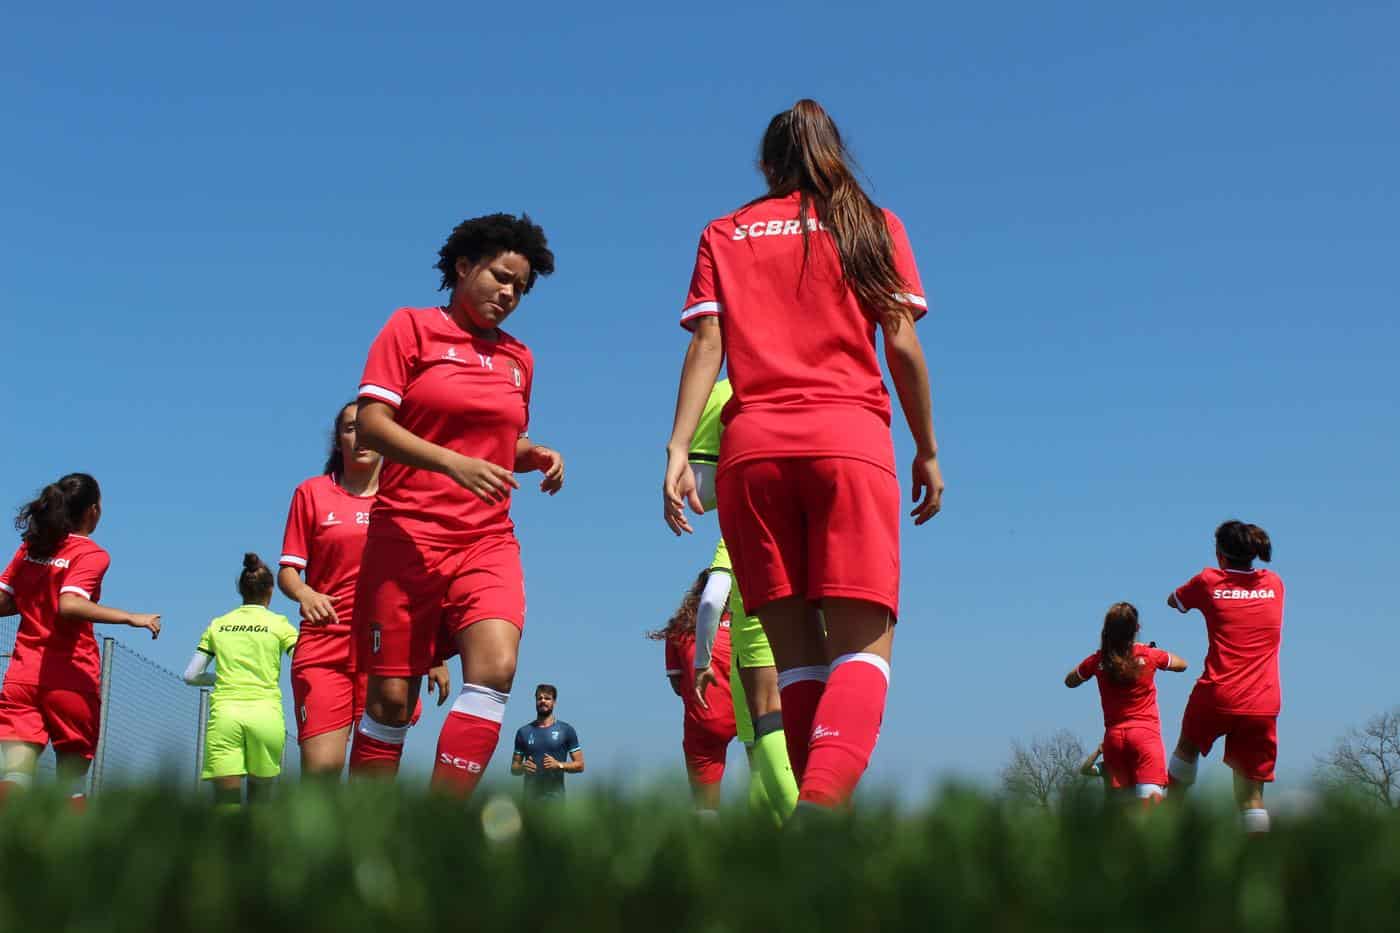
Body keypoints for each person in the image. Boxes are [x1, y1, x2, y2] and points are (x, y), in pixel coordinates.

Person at [663, 99, 944, 810]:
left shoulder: (723, 232)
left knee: (798, 665)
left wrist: (675, 447)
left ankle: (819, 835)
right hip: (847, 442)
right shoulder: (874, 225)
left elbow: (706, 346)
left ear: (766, 164)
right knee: (861, 655)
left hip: (751, 454)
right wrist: (928, 449)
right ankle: (820, 817)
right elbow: (903, 345)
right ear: (834, 152)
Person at [350, 213, 563, 796]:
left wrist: (533, 453)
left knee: (495, 670)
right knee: (393, 704)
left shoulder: (521, 358)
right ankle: (362, 842)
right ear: (463, 267)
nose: (509, 293)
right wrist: (450, 462)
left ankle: (440, 834)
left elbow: (496, 444)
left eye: (520, 286)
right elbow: (371, 425)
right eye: (500, 276)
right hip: (406, 538)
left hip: (486, 540)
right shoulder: (410, 328)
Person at [277, 401, 447, 778]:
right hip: (324, 645)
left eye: (369, 428)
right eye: (351, 429)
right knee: (321, 773)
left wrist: (433, 651)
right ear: (338, 441)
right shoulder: (312, 493)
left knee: (373, 778)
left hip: (386, 647)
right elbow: (288, 572)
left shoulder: (405, 499)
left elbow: (421, 579)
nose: (361, 437)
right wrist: (306, 594)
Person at [0, 473, 161, 804]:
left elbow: (5, 601)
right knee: (71, 787)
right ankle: (71, 855)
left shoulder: (32, 547)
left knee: (14, 776)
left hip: (23, 676)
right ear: (92, 511)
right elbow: (69, 603)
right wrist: (131, 617)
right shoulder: (91, 554)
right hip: (73, 677)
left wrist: (31, 599)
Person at [688, 379, 799, 822]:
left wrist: (700, 662)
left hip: (759, 629)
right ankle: (770, 847)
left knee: (764, 728)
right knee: (796, 734)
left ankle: (805, 827)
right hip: (820, 604)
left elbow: (713, 599)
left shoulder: (740, 530)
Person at [1165, 520, 1284, 833]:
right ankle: (1257, 864)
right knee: (1251, 798)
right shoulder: (1275, 583)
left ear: (1220, 554)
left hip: (1218, 693)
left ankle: (1164, 823)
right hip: (1263, 701)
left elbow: (1175, 601)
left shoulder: (1208, 581)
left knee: (1187, 750)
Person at [184, 554, 298, 809]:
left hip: (226, 716)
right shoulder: (279, 624)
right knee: (260, 808)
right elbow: (303, 659)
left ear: (240, 590)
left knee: (226, 807)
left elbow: (190, 676)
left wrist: (220, 678)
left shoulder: (219, 625)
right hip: (265, 716)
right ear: (271, 590)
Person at [1065, 603, 1187, 804]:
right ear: (1137, 628)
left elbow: (1070, 681)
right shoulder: (1148, 655)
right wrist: (1148, 650)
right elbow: (1182, 664)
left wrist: (1094, 664)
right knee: (1150, 809)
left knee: (1121, 814)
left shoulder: (1098, 660)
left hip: (1114, 740)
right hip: (1145, 737)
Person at [651, 569, 741, 814]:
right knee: (767, 772)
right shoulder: (748, 622)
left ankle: (708, 832)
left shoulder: (679, 628)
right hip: (750, 710)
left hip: (705, 716)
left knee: (705, 805)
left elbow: (678, 686)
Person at [509, 684, 583, 801]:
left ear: (554, 702)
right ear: (536, 701)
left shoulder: (566, 730)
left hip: (556, 803)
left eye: (547, 698)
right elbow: (514, 768)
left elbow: (580, 765)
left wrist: (558, 765)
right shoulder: (523, 732)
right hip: (529, 803)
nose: (543, 701)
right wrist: (523, 767)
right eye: (540, 698)